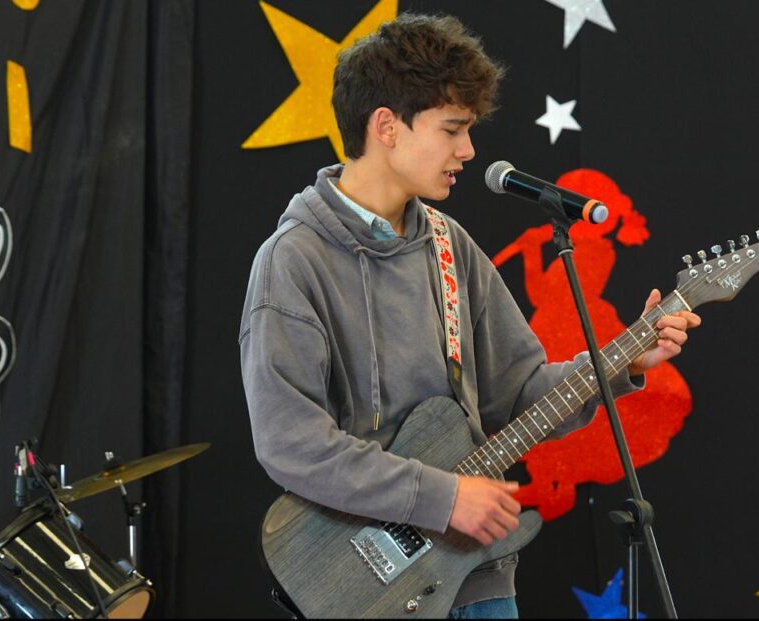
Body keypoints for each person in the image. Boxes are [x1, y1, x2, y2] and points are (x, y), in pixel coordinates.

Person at [239, 13, 701, 619]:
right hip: (363, 594)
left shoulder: (449, 245)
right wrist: (443, 497)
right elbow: (291, 443)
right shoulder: (293, 260)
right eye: (452, 129)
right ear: (386, 126)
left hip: (479, 581)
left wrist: (625, 359)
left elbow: (522, 394)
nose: (469, 150)